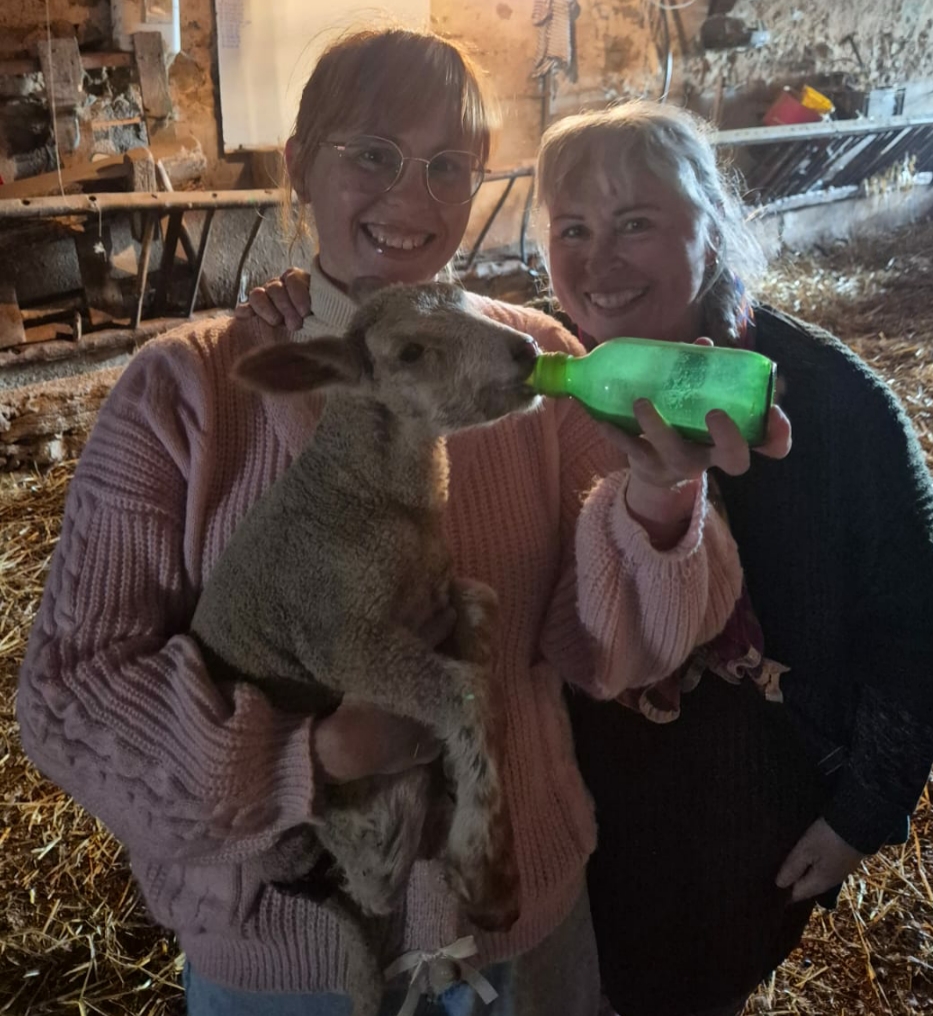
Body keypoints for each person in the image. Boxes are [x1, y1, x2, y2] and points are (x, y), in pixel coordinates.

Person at [15, 32, 792, 1016]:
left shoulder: (539, 366)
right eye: (372, 154)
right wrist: (306, 759)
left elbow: (613, 655)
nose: (413, 198)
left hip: (523, 934)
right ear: (299, 164)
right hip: (292, 962)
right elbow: (70, 695)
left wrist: (659, 502)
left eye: (448, 168)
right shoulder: (187, 395)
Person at [247, 99, 933, 1016]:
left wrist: (860, 816)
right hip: (575, 825)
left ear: (710, 230)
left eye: (637, 224)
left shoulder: (834, 405)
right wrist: (299, 307)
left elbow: (919, 633)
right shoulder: (536, 379)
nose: (599, 262)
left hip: (747, 818)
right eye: (574, 230)